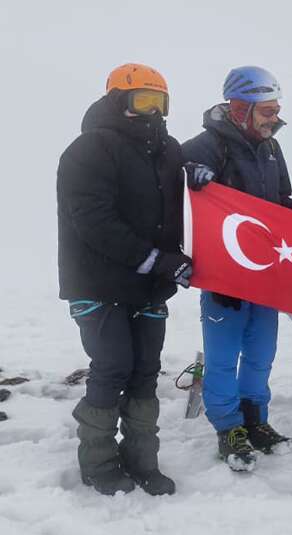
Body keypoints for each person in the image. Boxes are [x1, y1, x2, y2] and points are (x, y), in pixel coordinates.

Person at [183, 65, 292, 472]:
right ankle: (228, 428)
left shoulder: (270, 149)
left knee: (262, 353)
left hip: (264, 272)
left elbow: (280, 200)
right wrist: (189, 174)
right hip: (223, 275)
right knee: (224, 355)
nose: (274, 118)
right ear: (239, 107)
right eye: (267, 109)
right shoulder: (207, 145)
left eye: (276, 108)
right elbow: (174, 186)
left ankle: (255, 419)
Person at [56, 63, 188, 495]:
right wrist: (152, 258)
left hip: (148, 285)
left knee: (145, 371)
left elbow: (193, 183)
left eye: (159, 102)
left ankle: (142, 460)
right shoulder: (89, 149)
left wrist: (202, 174)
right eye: (141, 100)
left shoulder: (169, 152)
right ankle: (98, 461)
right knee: (113, 367)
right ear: (117, 101)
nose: (151, 111)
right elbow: (92, 220)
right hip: (97, 283)